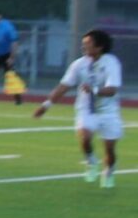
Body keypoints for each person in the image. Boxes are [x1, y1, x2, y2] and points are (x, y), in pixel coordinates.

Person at [34, 29, 122, 189]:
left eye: (88, 44)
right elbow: (63, 87)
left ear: (100, 46)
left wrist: (94, 90)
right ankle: (91, 162)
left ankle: (109, 170)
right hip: (86, 109)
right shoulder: (79, 64)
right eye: (83, 43)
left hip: (108, 111)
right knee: (85, 136)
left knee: (109, 149)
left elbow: (112, 90)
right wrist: (45, 106)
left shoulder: (111, 63)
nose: (83, 47)